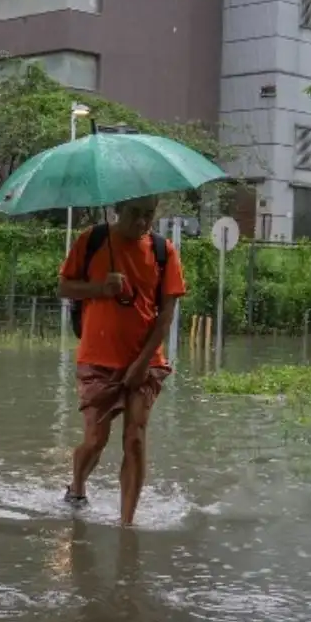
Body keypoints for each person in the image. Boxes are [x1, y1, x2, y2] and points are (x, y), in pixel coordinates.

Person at [56, 196, 185, 527]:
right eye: (134, 214)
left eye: (149, 215)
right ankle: (77, 487)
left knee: (135, 438)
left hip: (145, 360)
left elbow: (166, 315)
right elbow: (64, 287)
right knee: (96, 439)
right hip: (98, 359)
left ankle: (127, 523)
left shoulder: (162, 251)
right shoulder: (92, 240)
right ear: (117, 210)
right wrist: (100, 288)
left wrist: (142, 363)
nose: (142, 222)